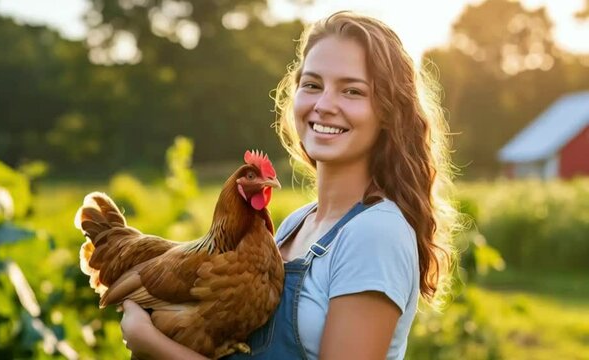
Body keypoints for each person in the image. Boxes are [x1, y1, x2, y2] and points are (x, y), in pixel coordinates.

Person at [120, 10, 458, 360]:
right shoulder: (296, 224)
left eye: (352, 91)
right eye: (312, 85)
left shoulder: (375, 234)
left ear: (387, 111)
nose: (324, 105)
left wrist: (152, 343)